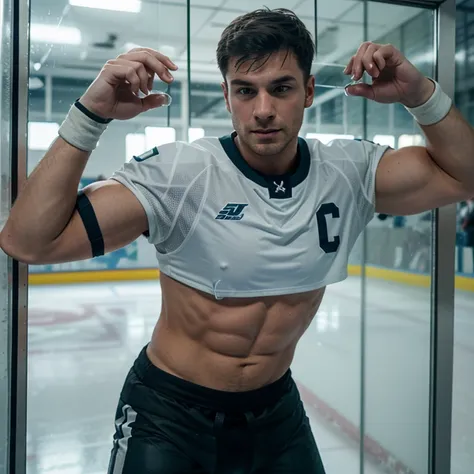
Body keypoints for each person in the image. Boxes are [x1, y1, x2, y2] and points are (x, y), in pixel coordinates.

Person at [1, 7, 473, 474]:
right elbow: (29, 242)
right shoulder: (179, 176)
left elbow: (465, 176)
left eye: (282, 88)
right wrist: (91, 114)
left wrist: (420, 93)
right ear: (227, 97)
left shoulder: (350, 173)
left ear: (308, 91)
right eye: (245, 91)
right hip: (169, 414)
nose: (263, 110)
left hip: (277, 411)